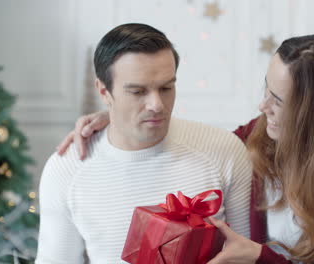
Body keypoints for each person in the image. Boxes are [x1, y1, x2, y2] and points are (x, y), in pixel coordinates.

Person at [58, 34, 314, 263]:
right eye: (266, 90)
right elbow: (203, 147)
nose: (262, 107)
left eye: (277, 100)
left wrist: (259, 258)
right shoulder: (262, 137)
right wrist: (117, 119)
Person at [36, 23, 252, 264]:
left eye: (166, 87)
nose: (157, 105)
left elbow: (250, 254)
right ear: (104, 91)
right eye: (138, 92)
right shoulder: (66, 169)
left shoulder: (224, 150)